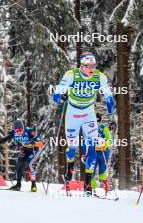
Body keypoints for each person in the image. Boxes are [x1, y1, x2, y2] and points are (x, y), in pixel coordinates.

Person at [52, 52, 115, 194]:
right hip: (73, 114)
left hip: (88, 113)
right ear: (82, 66)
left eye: (94, 65)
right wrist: (60, 96)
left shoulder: (100, 77)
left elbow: (109, 97)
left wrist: (111, 113)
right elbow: (56, 95)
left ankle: (87, 183)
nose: (92, 69)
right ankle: (69, 166)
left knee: (91, 145)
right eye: (88, 66)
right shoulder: (71, 75)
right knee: (73, 147)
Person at [0, 120, 44, 191]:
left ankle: (33, 185)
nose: (19, 132)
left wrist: (34, 144)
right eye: (17, 131)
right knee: (19, 165)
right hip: (24, 149)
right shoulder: (13, 133)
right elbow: (5, 139)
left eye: (20, 130)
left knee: (29, 165)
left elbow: (41, 143)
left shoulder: (29, 131)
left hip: (34, 150)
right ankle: (18, 185)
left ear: (23, 128)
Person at [90, 113, 112, 195]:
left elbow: (110, 140)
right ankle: (92, 189)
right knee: (91, 171)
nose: (96, 123)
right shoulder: (90, 129)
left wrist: (104, 142)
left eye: (97, 121)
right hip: (94, 152)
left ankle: (106, 188)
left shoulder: (104, 128)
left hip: (103, 152)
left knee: (102, 172)